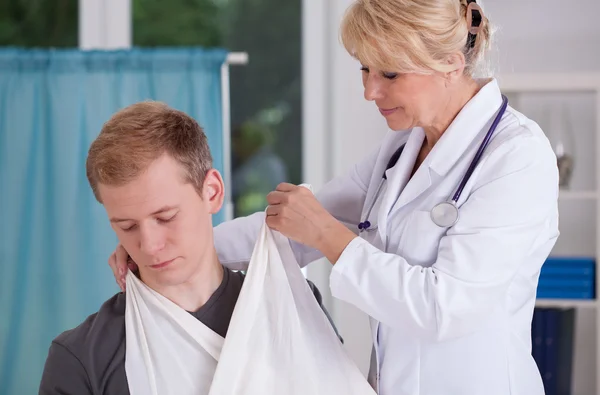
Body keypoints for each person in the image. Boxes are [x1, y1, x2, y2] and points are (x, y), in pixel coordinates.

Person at [110, 1, 560, 394]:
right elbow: (292, 225)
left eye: (389, 73)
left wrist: (328, 236)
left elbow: (444, 309)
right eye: (364, 68)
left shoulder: (517, 158)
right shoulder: (401, 149)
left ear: (448, 62)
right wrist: (176, 248)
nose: (370, 91)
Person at [39, 102, 339, 395]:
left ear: (212, 192)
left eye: (165, 217)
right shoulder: (80, 358)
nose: (149, 246)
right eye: (127, 226)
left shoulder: (291, 305)